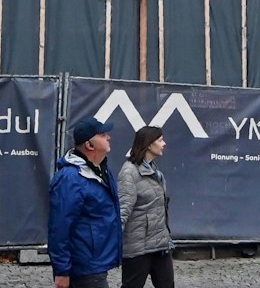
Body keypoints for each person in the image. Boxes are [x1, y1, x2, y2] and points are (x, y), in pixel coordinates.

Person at [50, 117, 123, 288]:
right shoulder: (69, 178)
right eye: (103, 135)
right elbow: (59, 227)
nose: (108, 137)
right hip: (84, 267)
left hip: (96, 263)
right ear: (89, 145)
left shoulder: (101, 170)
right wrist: (62, 271)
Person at [117, 124, 175, 288]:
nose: (164, 144)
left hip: (160, 245)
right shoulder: (129, 172)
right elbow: (123, 210)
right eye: (160, 140)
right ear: (149, 144)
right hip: (138, 249)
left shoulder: (154, 170)